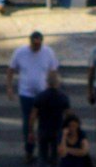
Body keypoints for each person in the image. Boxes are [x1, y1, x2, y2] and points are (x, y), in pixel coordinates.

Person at [8, 32, 59, 160]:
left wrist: (54, 89)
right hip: (26, 94)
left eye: (39, 44)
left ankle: (44, 150)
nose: (37, 47)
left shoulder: (48, 52)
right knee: (28, 123)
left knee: (45, 122)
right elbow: (11, 70)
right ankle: (29, 150)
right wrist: (9, 87)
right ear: (30, 42)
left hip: (43, 94)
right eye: (34, 44)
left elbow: (53, 72)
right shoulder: (20, 52)